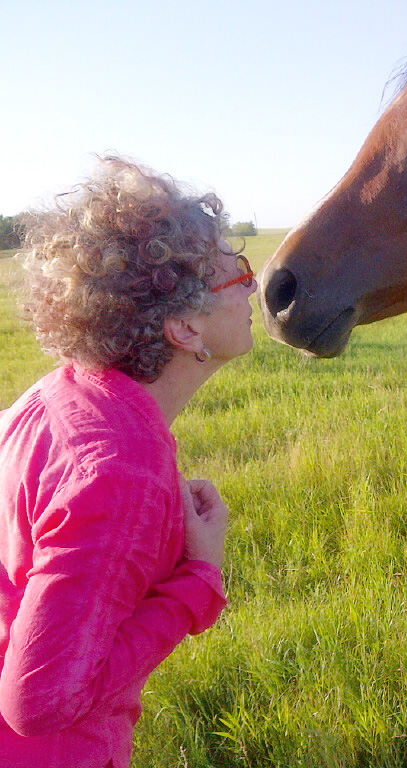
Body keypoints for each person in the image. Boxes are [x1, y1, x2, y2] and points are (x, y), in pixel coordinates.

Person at [0, 156, 257, 767]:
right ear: (184, 328)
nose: (254, 287)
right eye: (239, 276)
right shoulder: (120, 472)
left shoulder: (56, 394)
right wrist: (198, 580)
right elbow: (38, 702)